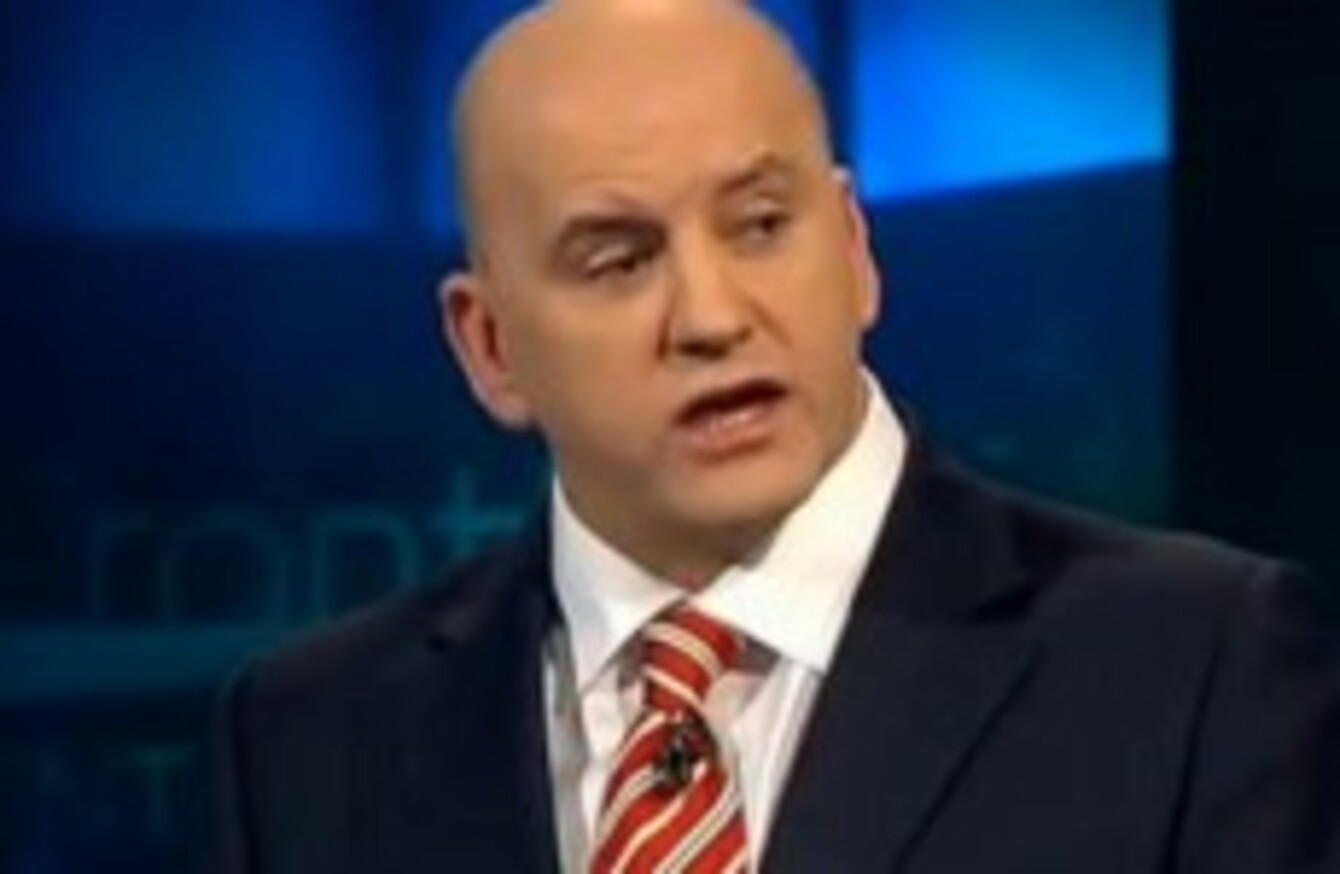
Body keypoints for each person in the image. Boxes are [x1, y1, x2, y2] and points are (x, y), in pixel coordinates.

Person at [211, 1, 1340, 871]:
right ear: (490, 345)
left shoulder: (1193, 667)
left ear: (853, 249)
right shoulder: (307, 740)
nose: (711, 316)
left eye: (760, 225)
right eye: (618, 260)